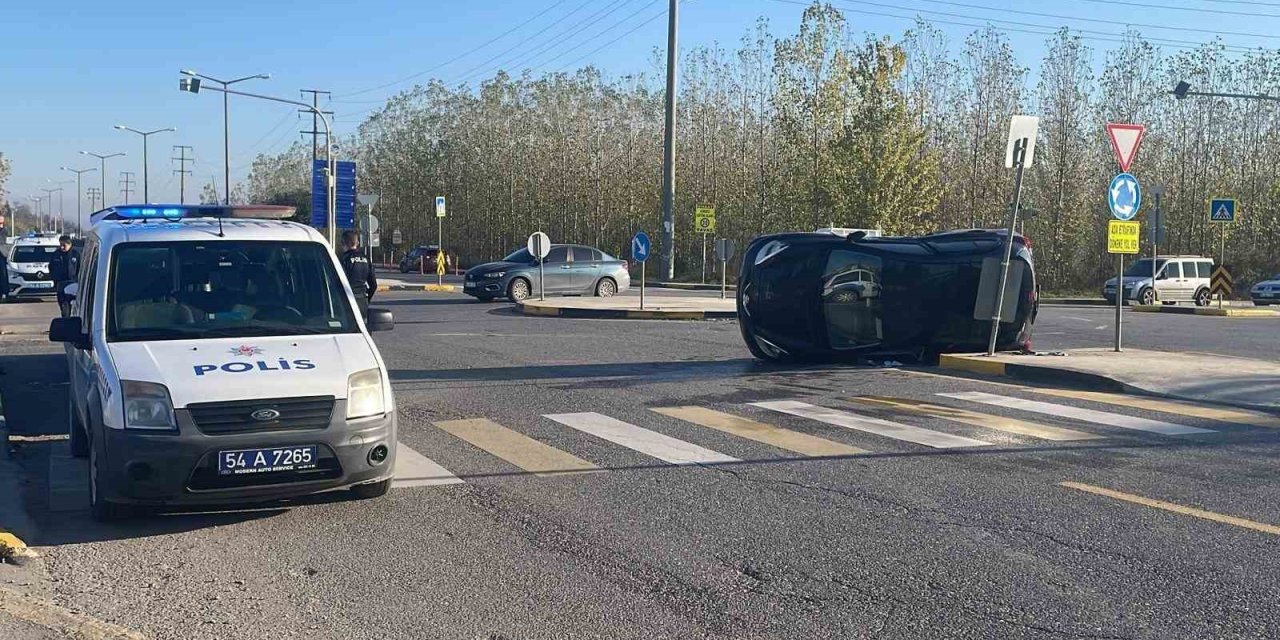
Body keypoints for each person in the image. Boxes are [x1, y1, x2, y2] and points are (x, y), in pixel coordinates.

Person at [338, 230, 376, 319]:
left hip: (347, 301)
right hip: (362, 301)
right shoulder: (366, 259)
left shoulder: (344, 259)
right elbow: (373, 285)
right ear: (357, 243)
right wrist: (367, 299)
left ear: (343, 243)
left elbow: (338, 281)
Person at [49, 235, 80, 317]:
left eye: (64, 245)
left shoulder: (76, 254)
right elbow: (51, 267)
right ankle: (65, 318)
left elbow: (80, 268)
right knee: (63, 304)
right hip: (60, 283)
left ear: (70, 244)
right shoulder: (56, 254)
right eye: (60, 245)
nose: (62, 247)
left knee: (72, 305)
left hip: (72, 283)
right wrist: (54, 279)